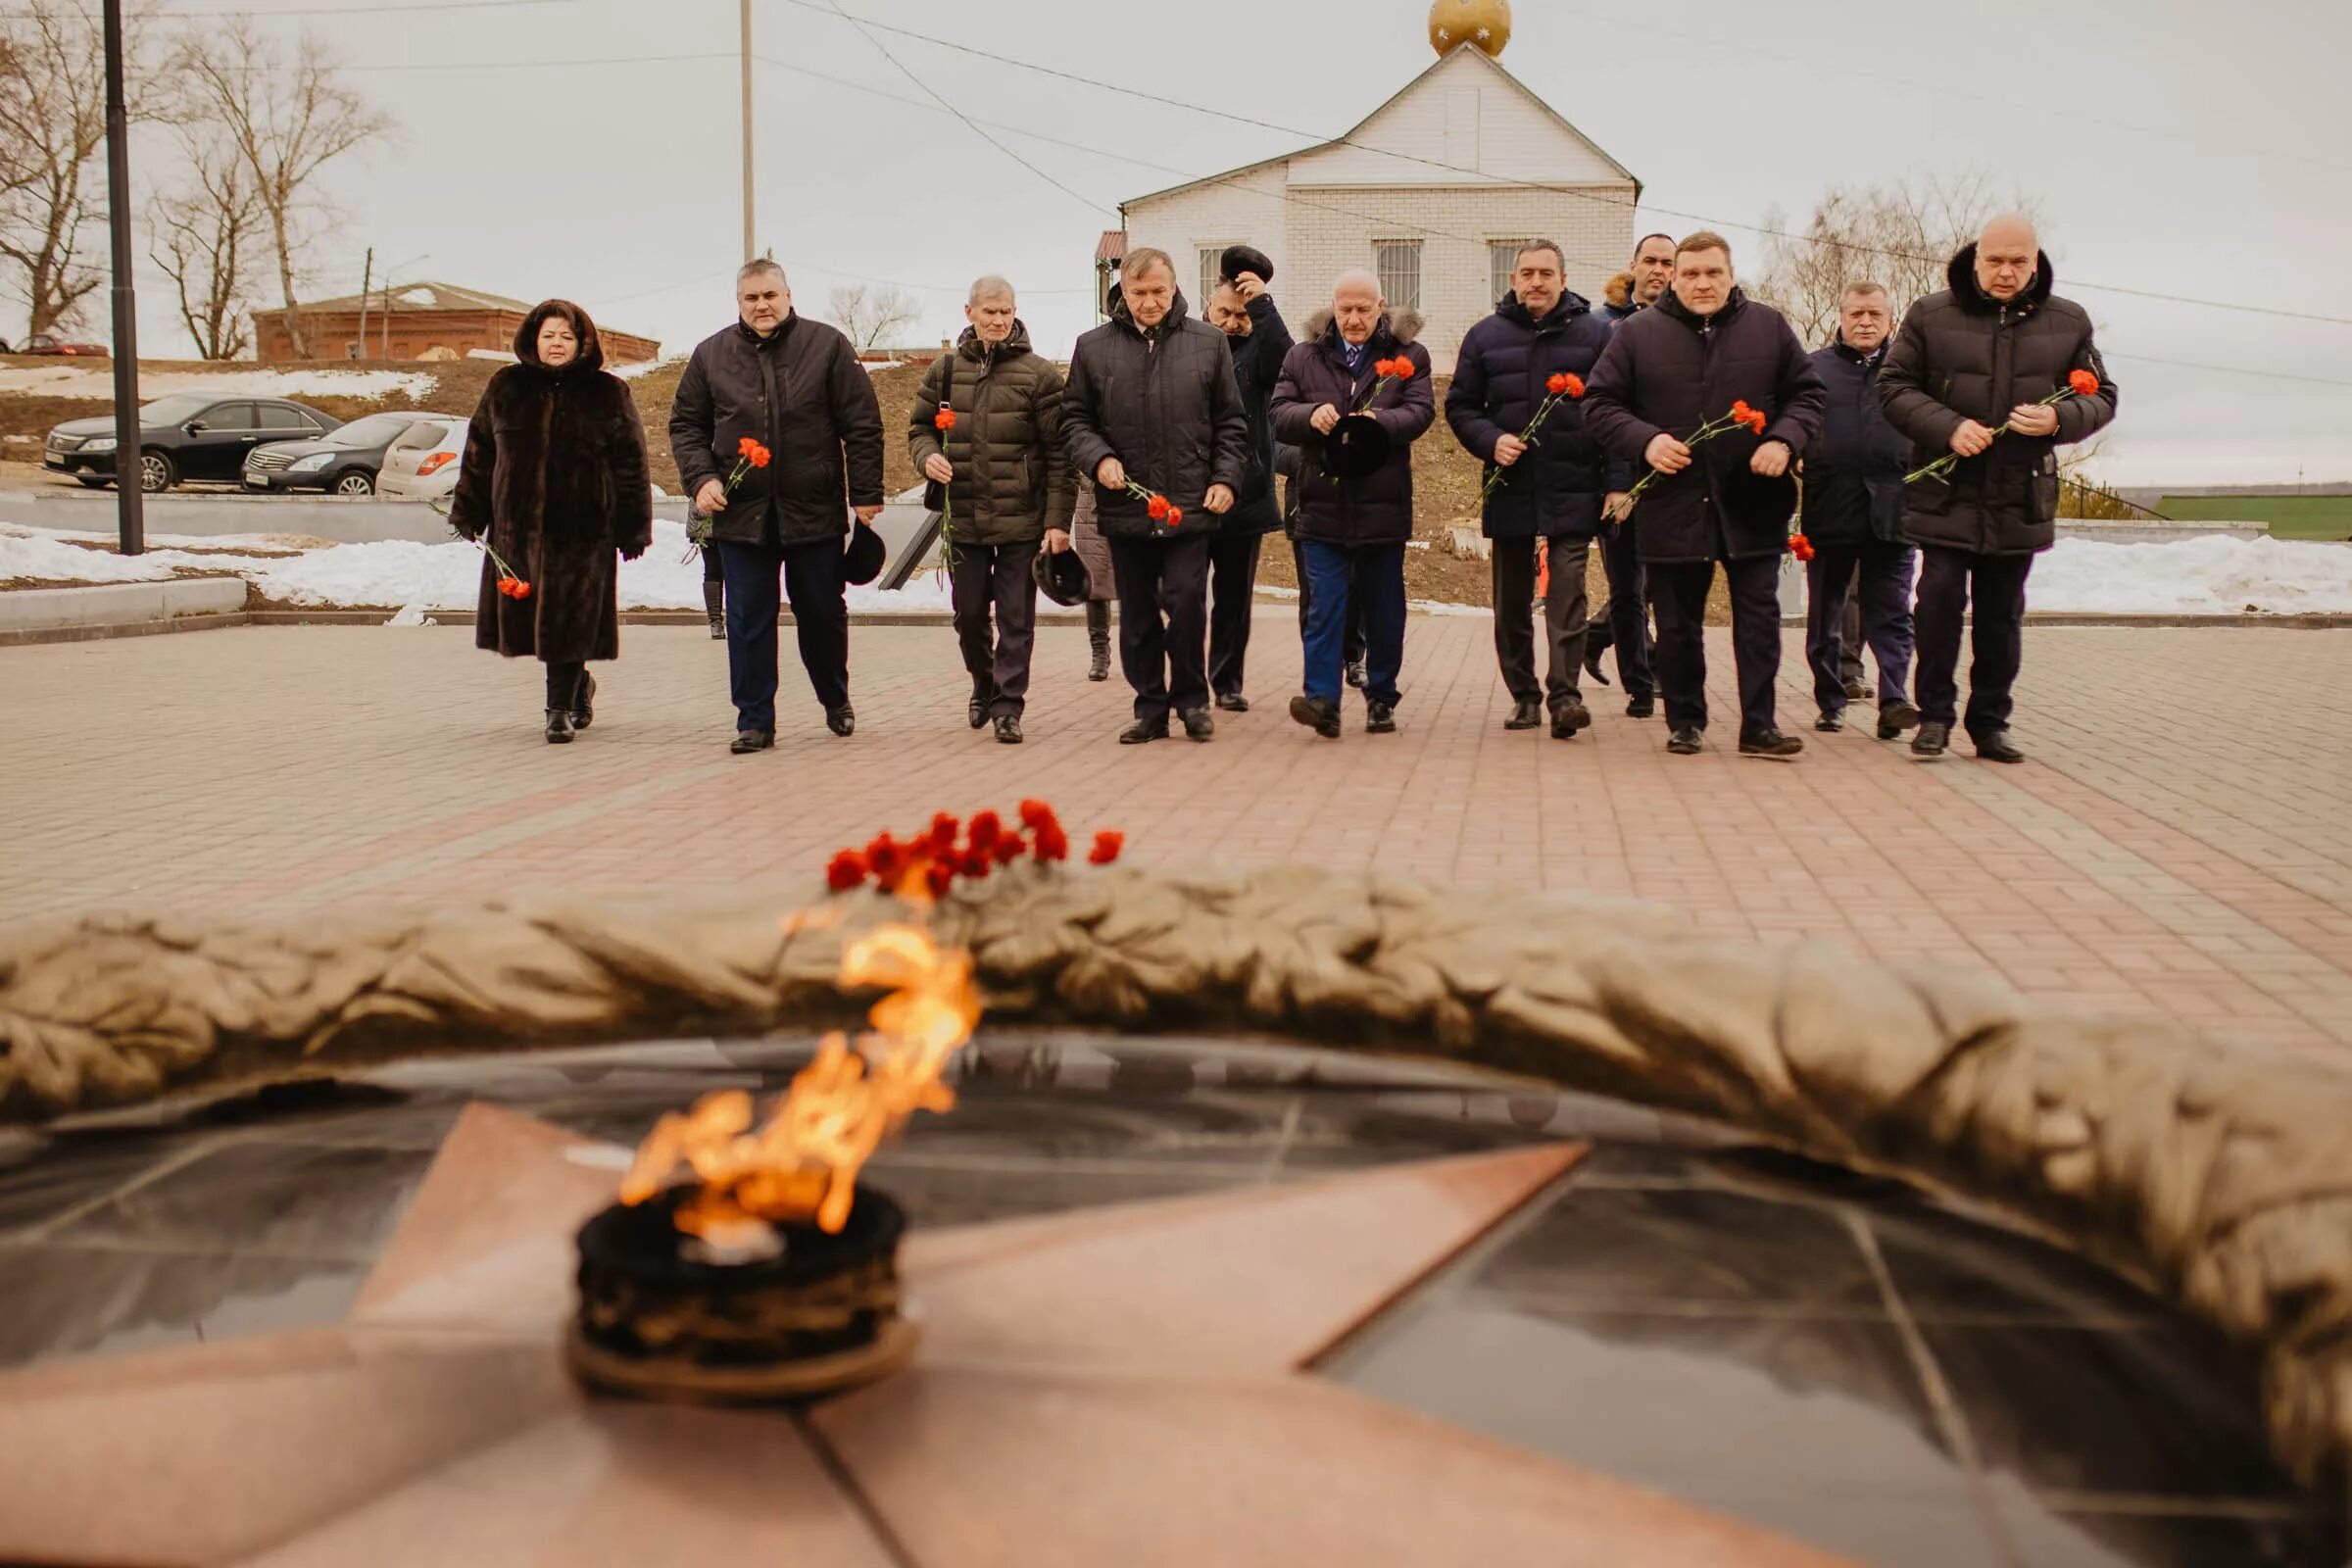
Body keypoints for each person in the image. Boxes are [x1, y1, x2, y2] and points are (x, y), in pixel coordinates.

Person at [1879, 215, 2116, 763]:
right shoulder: (1930, 314)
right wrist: (1948, 427)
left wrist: (2060, 421)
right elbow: (1892, 387)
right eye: (1996, 261)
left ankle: (1989, 723)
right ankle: (1933, 717)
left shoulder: (2068, 321)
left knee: (2001, 614)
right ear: (1975, 258)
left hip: (2019, 493)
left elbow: (2101, 395)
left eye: (2018, 262)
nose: (2006, 272)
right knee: (1936, 603)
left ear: (2035, 262)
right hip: (1947, 490)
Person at [1585, 231, 1826, 758]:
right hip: (1673, 501)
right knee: (1676, 623)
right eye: (1690, 273)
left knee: (1759, 618)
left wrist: (1785, 440)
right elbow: (1599, 404)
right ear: (1673, 277)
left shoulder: (1769, 327)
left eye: (1712, 273)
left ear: (1730, 274)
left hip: (1753, 499)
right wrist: (1646, 441)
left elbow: (1808, 395)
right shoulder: (1637, 334)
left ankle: (1759, 725)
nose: (1702, 283)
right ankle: (1686, 721)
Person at [669, 260, 885, 755]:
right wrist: (701, 479)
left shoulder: (826, 346)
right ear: (739, 302)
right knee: (747, 619)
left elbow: (862, 423)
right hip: (741, 516)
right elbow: (686, 426)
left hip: (812, 511)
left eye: (770, 295)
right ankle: (754, 720)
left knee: (822, 614)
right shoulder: (710, 355)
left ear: (788, 295)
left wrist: (866, 493)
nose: (761, 305)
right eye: (751, 298)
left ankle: (835, 698)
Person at [1061, 247, 1250, 744]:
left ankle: (1191, 701)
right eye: (1139, 292)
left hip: (1189, 503)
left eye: (1158, 292)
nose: (1149, 302)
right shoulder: (1093, 347)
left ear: (1174, 288)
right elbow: (1075, 420)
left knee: (1188, 602)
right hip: (1126, 504)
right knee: (1138, 613)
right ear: (1122, 291)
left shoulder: (1208, 343)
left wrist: (1225, 479)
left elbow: (1231, 422)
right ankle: (1149, 707)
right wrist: (1098, 458)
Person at [446, 299, 652, 745]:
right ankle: (578, 684)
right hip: (518, 527)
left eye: (567, 336)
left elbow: (631, 463)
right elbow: (480, 453)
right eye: (549, 335)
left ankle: (556, 710)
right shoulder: (506, 387)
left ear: (583, 343)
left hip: (583, 530)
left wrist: (633, 527)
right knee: (535, 619)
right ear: (532, 340)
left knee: (567, 616)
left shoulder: (608, 392)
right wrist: (468, 511)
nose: (557, 344)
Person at [1445, 239, 1620, 739]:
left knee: (1568, 593)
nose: (1536, 282)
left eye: (1546, 273)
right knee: (1512, 601)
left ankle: (1565, 697)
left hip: (1574, 486)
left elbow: (1614, 411)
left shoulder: (1597, 336)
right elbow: (1460, 407)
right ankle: (1524, 696)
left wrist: (1616, 484)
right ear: (1514, 280)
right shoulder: (1484, 337)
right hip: (1511, 486)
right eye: (1527, 273)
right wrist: (1491, 440)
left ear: (1563, 280)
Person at [908, 275, 1074, 746]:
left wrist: (1056, 523)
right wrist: (927, 456)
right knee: (969, 615)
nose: (998, 320)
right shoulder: (943, 372)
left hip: (1022, 519)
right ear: (970, 313)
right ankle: (982, 681)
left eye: (1005, 312)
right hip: (964, 518)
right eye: (989, 312)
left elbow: (1060, 456)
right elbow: (918, 430)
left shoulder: (1040, 375)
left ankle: (1007, 705)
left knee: (1017, 618)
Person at [1271, 270, 1435, 737]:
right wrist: (1310, 415)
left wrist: (1377, 421)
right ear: (1333, 307)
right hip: (1322, 504)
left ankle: (1381, 697)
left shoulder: (1408, 356)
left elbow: (1421, 411)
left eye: (1364, 309)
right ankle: (1322, 700)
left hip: (1383, 504)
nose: (1354, 318)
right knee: (1325, 606)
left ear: (1380, 306)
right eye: (1346, 309)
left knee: (1384, 609)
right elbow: (1279, 413)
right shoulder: (1303, 357)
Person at [1800, 282, 1920, 740]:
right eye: (1856, 314)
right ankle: (1830, 701)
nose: (1865, 322)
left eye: (1874, 314)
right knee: (1826, 618)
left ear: (1891, 320)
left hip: (1893, 512)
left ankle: (1894, 699)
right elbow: (1795, 418)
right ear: (1842, 318)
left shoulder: (1908, 370)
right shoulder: (1814, 369)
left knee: (1891, 613)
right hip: (1830, 510)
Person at [1585, 231, 1676, 708]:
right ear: (1634, 266)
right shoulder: (1601, 327)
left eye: (1668, 262)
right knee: (1627, 587)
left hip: (1674, 475)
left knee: (1662, 583)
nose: (1659, 270)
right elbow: (1604, 409)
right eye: (1651, 261)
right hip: (1618, 475)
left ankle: (1603, 641)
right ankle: (1639, 686)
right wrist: (1617, 481)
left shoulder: (1688, 328)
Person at [1200, 251, 1294, 711]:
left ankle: (1227, 681)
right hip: (1192, 490)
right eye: (1225, 313)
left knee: (1233, 599)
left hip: (1246, 490)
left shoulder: (1261, 353)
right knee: (1182, 593)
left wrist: (1264, 307)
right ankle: (1185, 677)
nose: (1233, 323)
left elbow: (1287, 361)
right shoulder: (1190, 345)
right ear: (1207, 307)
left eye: (1241, 315)